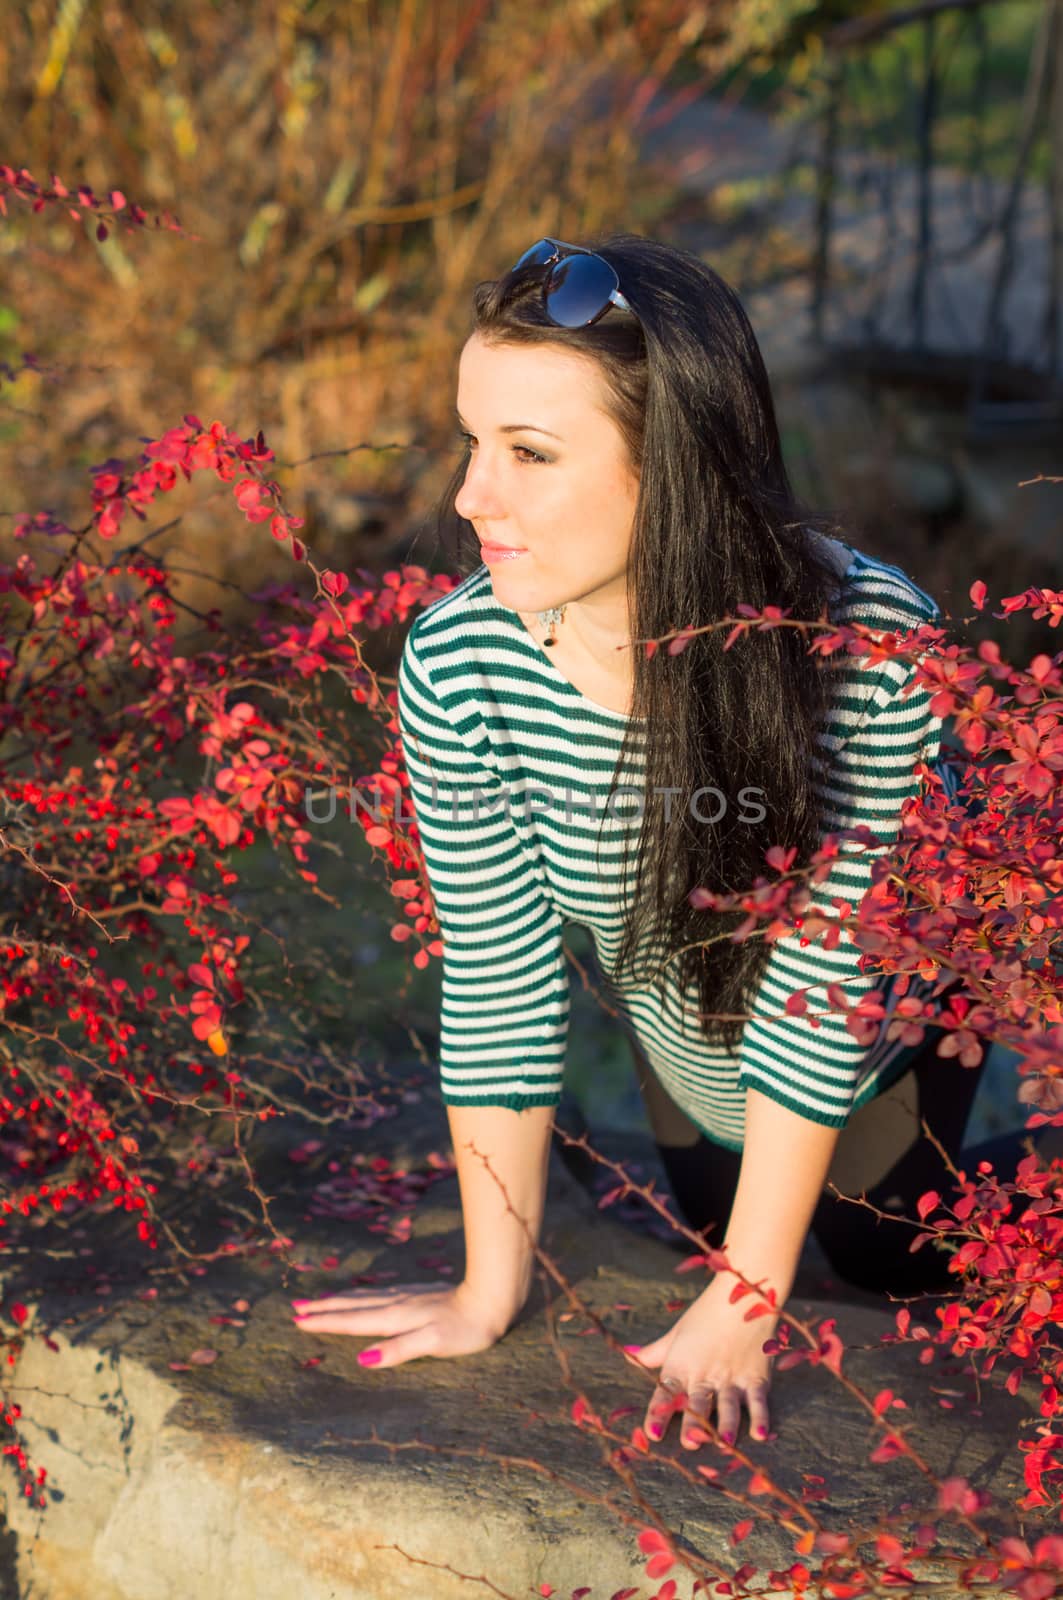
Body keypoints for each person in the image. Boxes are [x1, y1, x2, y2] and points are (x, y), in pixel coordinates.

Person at [292, 234, 1056, 1453]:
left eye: (529, 453)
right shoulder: (460, 663)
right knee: (713, 1223)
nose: (467, 497)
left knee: (875, 1248)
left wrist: (750, 1304)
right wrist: (491, 1289)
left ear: (677, 466)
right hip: (685, 1022)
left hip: (871, 1039)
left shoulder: (864, 644)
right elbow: (497, 973)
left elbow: (822, 985)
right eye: (471, 439)